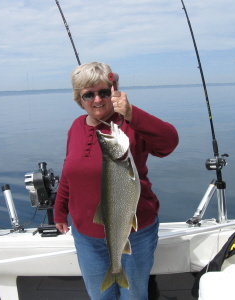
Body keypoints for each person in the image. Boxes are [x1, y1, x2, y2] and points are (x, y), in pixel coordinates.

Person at [54, 62, 179, 300]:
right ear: (79, 99)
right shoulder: (75, 128)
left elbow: (169, 143)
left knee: (133, 295)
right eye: (88, 94)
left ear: (113, 91)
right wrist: (60, 211)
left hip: (135, 231)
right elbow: (68, 174)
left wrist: (131, 113)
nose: (97, 99)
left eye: (103, 92)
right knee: (99, 296)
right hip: (87, 234)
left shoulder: (130, 125)